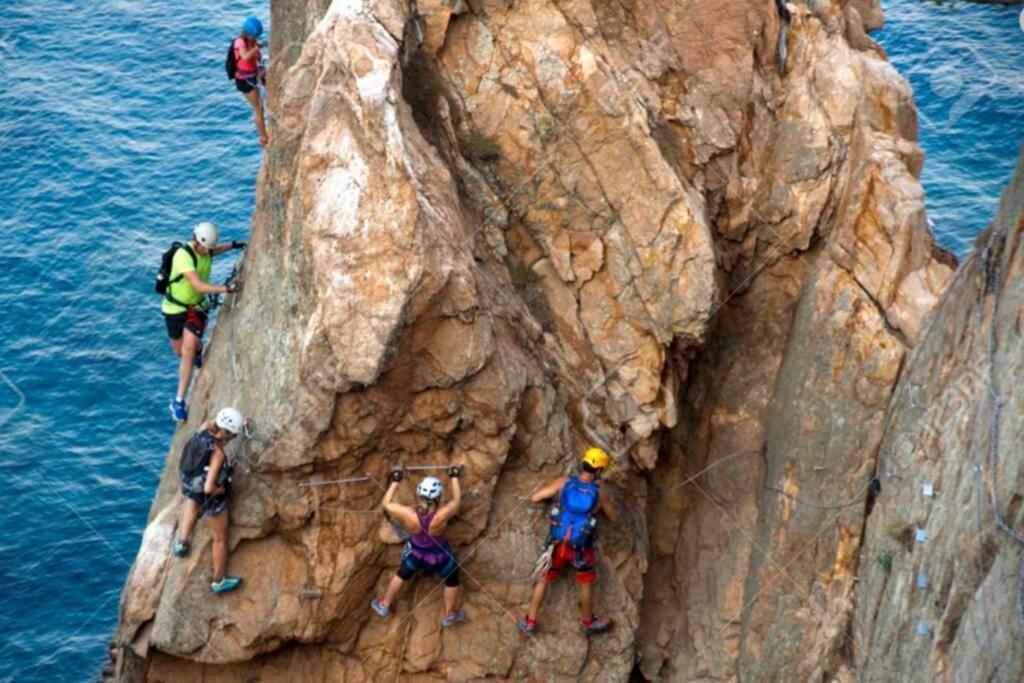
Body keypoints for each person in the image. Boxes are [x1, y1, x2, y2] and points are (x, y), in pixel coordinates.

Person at [517, 447, 618, 636]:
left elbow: (536, 497)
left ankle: (530, 621)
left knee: (544, 579)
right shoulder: (599, 494)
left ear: (583, 463)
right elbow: (614, 518)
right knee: (585, 583)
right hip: (580, 546)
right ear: (599, 471)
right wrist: (599, 508)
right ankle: (588, 622)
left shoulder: (564, 483)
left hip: (557, 542)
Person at [162, 222, 245, 422]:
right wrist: (226, 289)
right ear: (197, 241)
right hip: (175, 308)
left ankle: (179, 401)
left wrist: (232, 245)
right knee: (179, 351)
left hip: (196, 308)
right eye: (206, 248)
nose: (208, 252)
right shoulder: (183, 256)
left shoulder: (205, 250)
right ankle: (196, 351)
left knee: (187, 351)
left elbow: (213, 251)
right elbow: (198, 285)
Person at [371, 466, 468, 627]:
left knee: (402, 573)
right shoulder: (441, 515)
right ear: (438, 497)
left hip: (416, 553)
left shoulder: (408, 514)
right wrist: (454, 477)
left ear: (418, 494)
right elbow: (457, 501)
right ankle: (449, 614)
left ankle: (384, 604)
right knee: (452, 578)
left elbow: (386, 503)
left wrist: (396, 480)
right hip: (440, 556)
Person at [171, 407, 246, 594]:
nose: (235, 438)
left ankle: (182, 543)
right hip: (207, 492)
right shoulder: (218, 454)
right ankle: (219, 581)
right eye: (234, 435)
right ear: (228, 434)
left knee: (193, 502)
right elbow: (208, 488)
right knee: (220, 538)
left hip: (189, 482)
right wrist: (222, 489)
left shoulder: (205, 427)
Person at [233, 16, 269, 147]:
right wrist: (257, 47)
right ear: (248, 34)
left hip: (253, 75)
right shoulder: (240, 42)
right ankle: (263, 138)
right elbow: (245, 56)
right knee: (258, 108)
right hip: (244, 81)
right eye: (254, 36)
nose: (256, 38)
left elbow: (256, 58)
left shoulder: (251, 41)